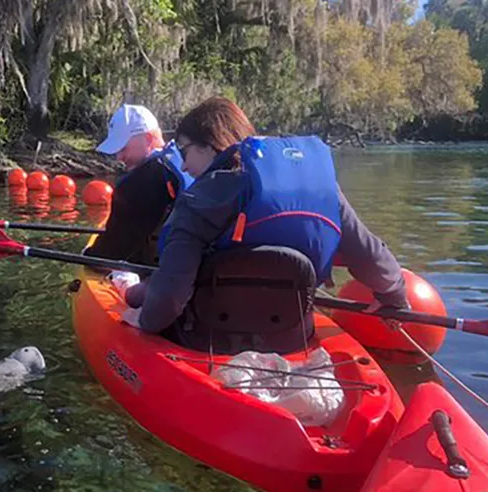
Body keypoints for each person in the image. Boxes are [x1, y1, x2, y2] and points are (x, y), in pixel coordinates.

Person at [122, 96, 408, 351]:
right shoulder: (322, 191)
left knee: (139, 296)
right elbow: (372, 256)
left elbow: (172, 290)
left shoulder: (198, 198)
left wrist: (144, 320)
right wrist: (394, 297)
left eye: (185, 152)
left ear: (211, 145)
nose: (183, 166)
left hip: (207, 340)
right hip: (291, 339)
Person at [83, 104, 193, 266]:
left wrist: (88, 256)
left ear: (148, 139)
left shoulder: (143, 180)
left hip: (171, 272)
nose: (118, 157)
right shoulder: (181, 157)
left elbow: (111, 252)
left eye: (124, 148)